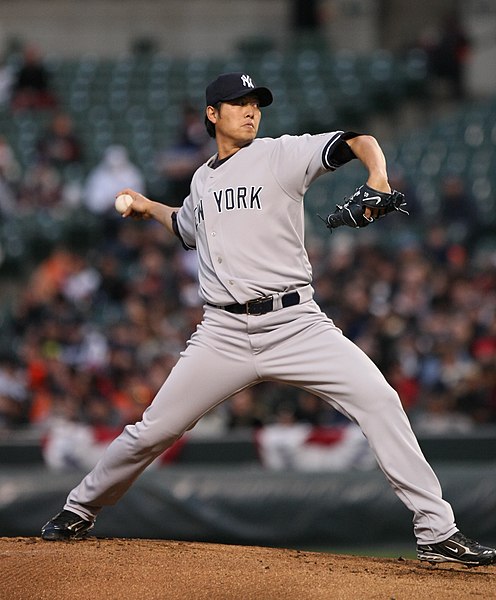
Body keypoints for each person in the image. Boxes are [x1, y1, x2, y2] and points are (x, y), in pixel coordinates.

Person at [41, 71, 496, 567]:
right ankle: (79, 507)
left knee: (380, 401)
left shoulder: (279, 154)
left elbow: (357, 140)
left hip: (297, 323)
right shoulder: (202, 179)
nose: (251, 110)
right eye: (238, 103)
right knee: (152, 430)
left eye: (256, 102)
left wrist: (378, 177)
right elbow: (187, 226)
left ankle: (437, 532)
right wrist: (149, 206)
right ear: (212, 114)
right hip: (223, 334)